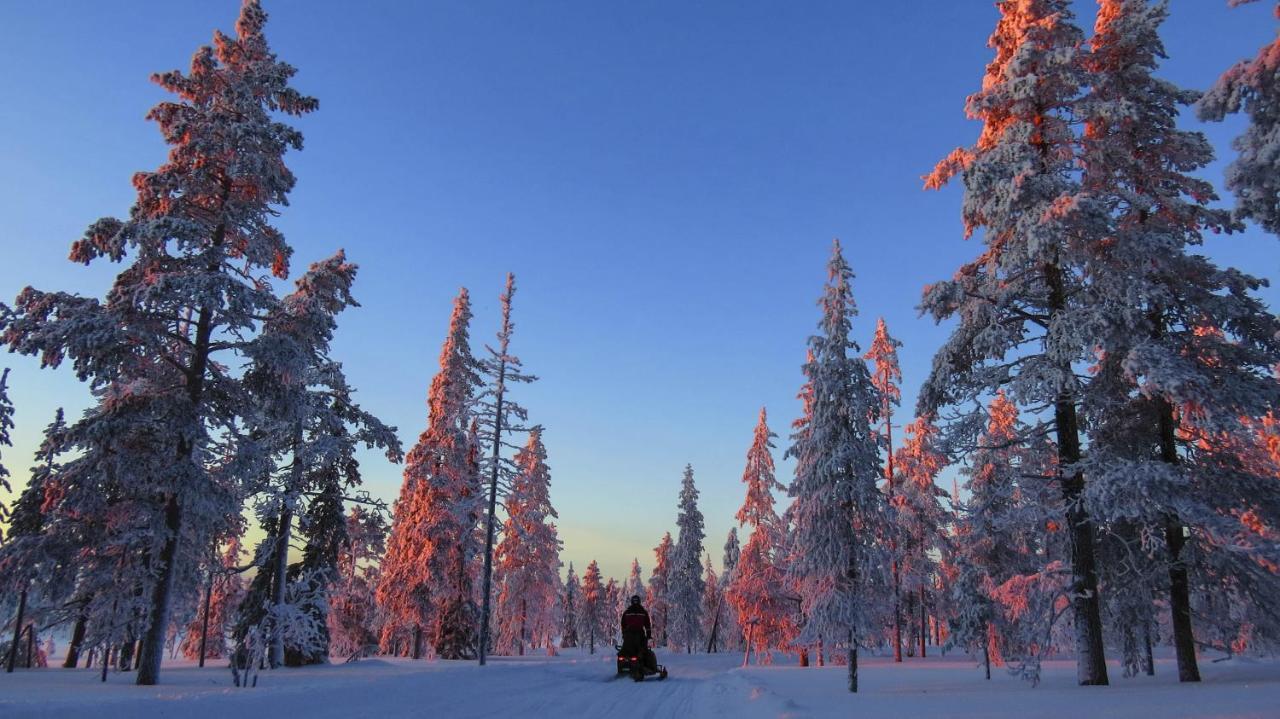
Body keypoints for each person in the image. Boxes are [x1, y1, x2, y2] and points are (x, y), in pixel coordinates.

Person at [620, 595, 656, 672]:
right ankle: (646, 666)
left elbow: (623, 624)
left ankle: (628, 662)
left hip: (629, 634)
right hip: (638, 633)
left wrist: (624, 633)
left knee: (625, 649)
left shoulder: (627, 612)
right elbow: (647, 624)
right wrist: (648, 635)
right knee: (644, 650)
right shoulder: (643, 612)